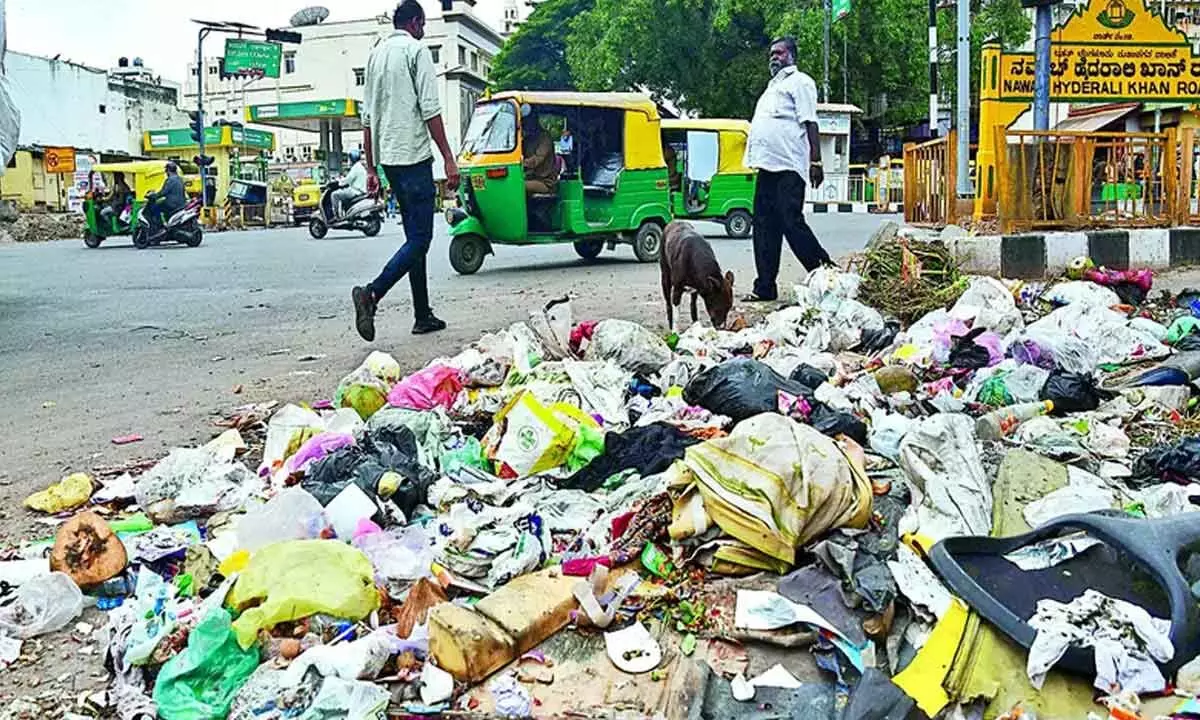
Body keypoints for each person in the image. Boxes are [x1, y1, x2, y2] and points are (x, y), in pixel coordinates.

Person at [352, 0, 460, 341]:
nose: (424, 30)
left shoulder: (376, 55)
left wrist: (371, 168)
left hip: (388, 161)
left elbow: (367, 119)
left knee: (414, 237)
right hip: (413, 156)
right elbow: (430, 109)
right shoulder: (416, 51)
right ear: (414, 23)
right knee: (421, 238)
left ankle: (422, 314)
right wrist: (448, 157)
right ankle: (373, 292)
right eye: (423, 24)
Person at [743, 36, 833, 302]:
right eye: (772, 53)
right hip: (766, 167)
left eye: (780, 53)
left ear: (792, 56)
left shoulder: (801, 82)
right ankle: (765, 287)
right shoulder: (772, 87)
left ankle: (826, 276)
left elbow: (810, 122)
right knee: (763, 225)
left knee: (790, 222)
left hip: (789, 166)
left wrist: (815, 161)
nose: (774, 57)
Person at [522, 109, 557, 197]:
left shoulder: (545, 138)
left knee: (517, 186)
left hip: (545, 182)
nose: (524, 125)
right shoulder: (527, 139)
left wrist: (521, 163)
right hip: (530, 177)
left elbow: (538, 159)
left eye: (526, 122)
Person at [147, 162, 186, 233]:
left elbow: (163, 192)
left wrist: (154, 195)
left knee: (155, 208)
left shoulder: (170, 180)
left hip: (172, 204)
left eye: (166, 171)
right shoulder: (180, 179)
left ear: (168, 171)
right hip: (181, 203)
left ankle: (160, 227)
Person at [334, 150, 369, 217]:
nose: (349, 160)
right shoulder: (360, 167)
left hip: (355, 191)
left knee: (334, 195)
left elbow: (348, 179)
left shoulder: (356, 167)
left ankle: (336, 216)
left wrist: (339, 182)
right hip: (361, 190)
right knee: (343, 194)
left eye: (350, 158)